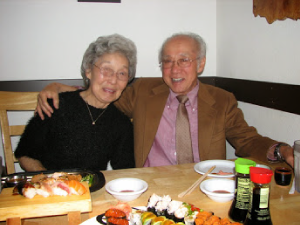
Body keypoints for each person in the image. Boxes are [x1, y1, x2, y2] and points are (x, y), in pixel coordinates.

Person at [36, 32, 294, 168]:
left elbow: (247, 140)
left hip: (202, 188)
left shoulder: (222, 100)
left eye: (184, 60)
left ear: (201, 63)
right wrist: (62, 89)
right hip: (151, 187)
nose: (174, 69)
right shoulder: (142, 91)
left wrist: (281, 150)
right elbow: (102, 94)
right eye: (167, 61)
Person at [14, 34, 136, 171]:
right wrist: (50, 181)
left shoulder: (121, 124)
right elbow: (25, 154)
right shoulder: (56, 105)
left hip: (92, 190)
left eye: (122, 73)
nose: (113, 80)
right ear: (88, 71)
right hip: (48, 187)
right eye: (106, 70)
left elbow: (125, 171)